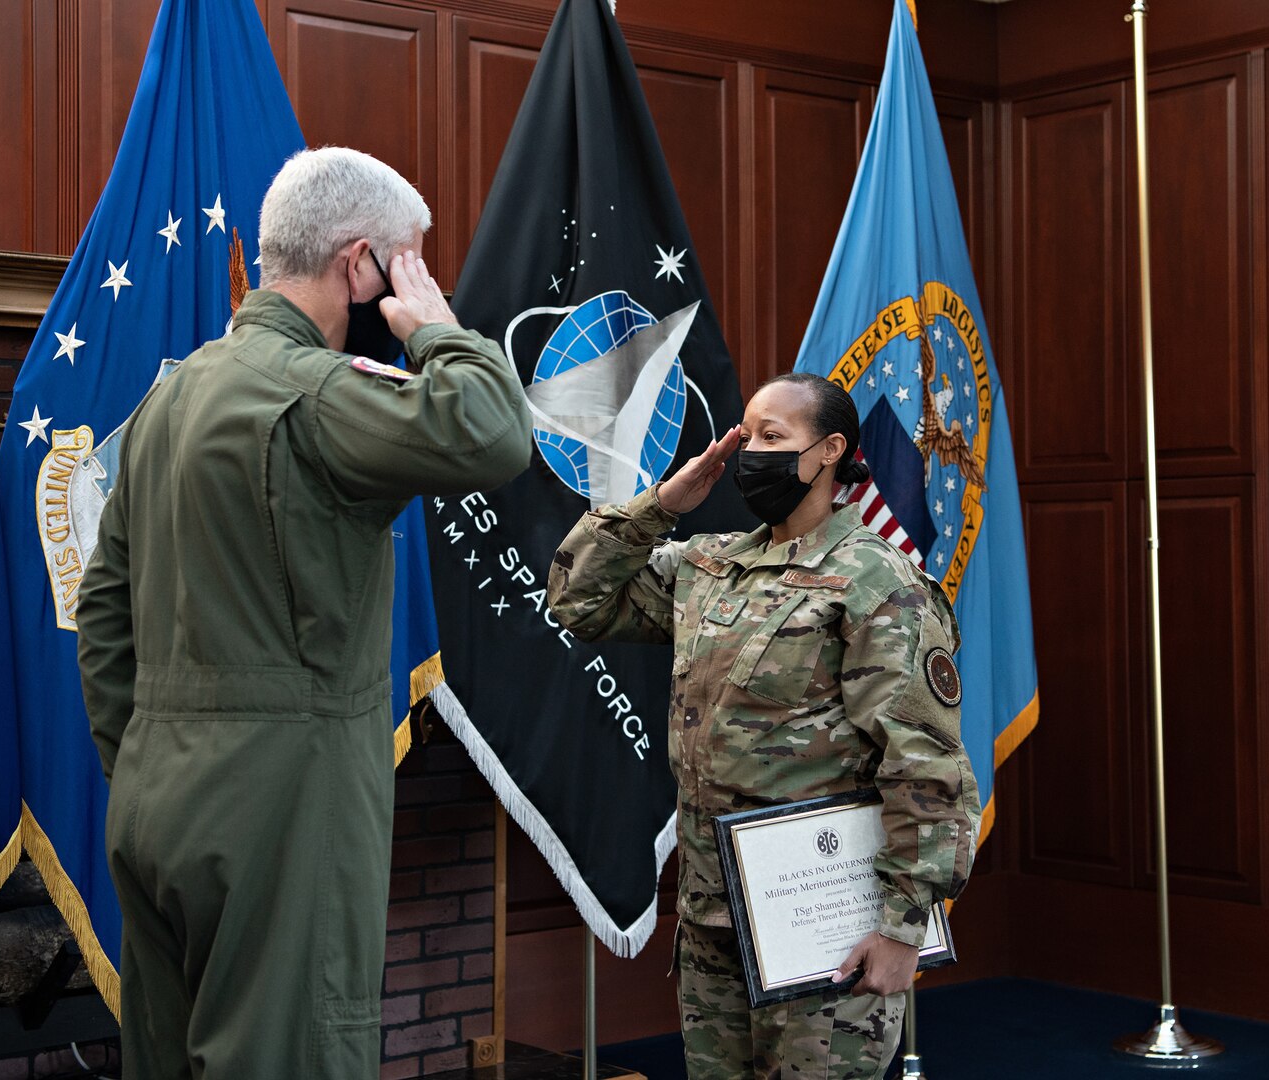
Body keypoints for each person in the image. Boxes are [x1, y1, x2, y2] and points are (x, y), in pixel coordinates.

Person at [75, 146, 532, 1077]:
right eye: (405, 264)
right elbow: (492, 430)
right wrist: (437, 328)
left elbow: (104, 613)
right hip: (281, 804)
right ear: (358, 265)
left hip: (154, 794)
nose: (412, 285)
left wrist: (154, 753)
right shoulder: (317, 393)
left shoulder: (171, 396)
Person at [548, 372, 981, 1079]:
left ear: (831, 450)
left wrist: (903, 928)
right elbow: (576, 598)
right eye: (747, 435)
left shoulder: (876, 581)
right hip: (714, 920)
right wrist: (661, 505)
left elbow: (925, 766)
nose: (751, 452)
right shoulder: (710, 566)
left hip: (826, 926)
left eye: (773, 438)